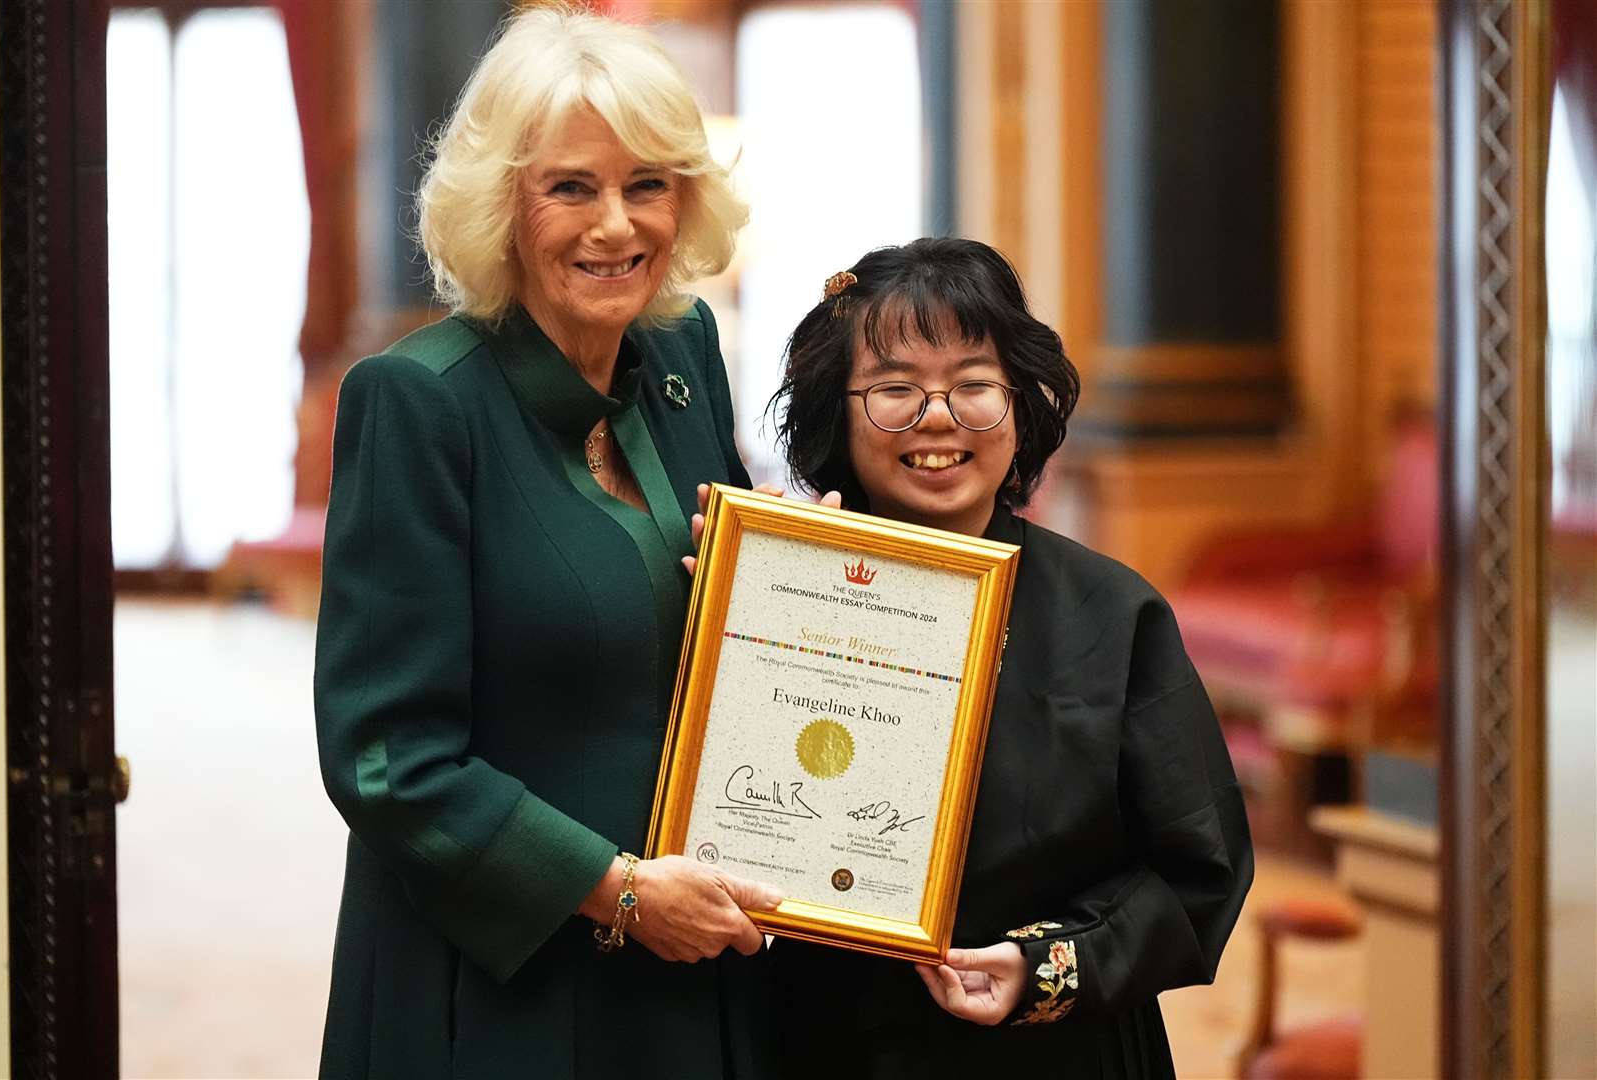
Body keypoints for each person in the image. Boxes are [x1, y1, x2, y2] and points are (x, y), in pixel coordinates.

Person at [313, 8, 782, 1078]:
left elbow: (729, 613)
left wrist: (793, 577)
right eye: (570, 186)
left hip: (691, 955)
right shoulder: (417, 405)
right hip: (501, 979)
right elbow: (387, 760)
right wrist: (614, 890)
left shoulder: (681, 350)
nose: (615, 226)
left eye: (648, 184)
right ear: (502, 204)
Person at [766, 238, 1254, 1078]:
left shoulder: (1111, 611)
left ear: (1019, 405)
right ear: (835, 413)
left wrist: (1044, 965)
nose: (938, 416)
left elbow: (1196, 870)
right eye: (893, 389)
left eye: (973, 384)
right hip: (825, 1039)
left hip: (1056, 1051)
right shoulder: (779, 599)